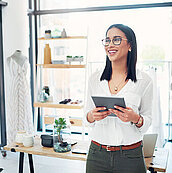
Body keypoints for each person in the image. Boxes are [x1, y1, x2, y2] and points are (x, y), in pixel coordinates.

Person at [84, 24, 153, 173]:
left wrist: (135, 118)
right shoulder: (94, 79)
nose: (110, 45)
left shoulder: (144, 81)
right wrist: (92, 116)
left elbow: (147, 121)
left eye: (116, 40)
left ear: (130, 45)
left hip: (130, 157)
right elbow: (85, 118)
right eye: (107, 40)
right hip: (97, 155)